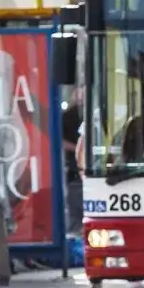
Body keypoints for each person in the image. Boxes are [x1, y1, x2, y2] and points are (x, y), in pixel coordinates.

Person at [61, 88, 84, 234]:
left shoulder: (89, 115)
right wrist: (78, 149)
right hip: (74, 170)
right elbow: (60, 141)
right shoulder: (68, 117)